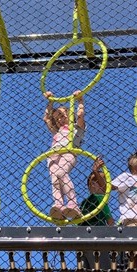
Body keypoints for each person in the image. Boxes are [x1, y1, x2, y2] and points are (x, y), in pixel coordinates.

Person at [43, 90, 85, 220]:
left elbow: (80, 114)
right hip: (53, 154)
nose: (60, 119)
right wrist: (50, 102)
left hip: (69, 151)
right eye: (57, 118)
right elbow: (46, 118)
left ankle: (73, 204)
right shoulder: (57, 130)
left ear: (69, 114)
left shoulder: (77, 127)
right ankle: (59, 206)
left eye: (62, 115)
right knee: (55, 179)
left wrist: (80, 101)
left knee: (62, 173)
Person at [78, 157, 115, 272]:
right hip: (97, 240)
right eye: (104, 181)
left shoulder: (83, 203)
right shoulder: (100, 199)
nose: (107, 186)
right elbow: (110, 221)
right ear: (94, 184)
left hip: (81, 241)